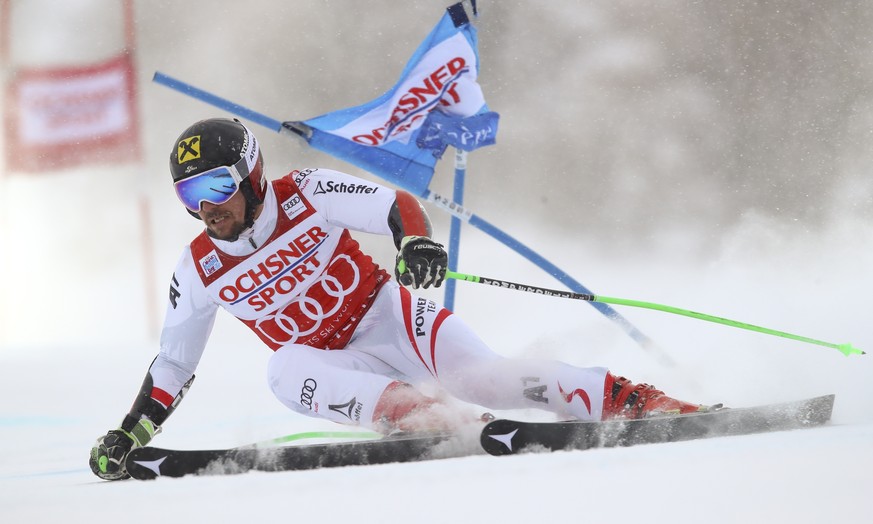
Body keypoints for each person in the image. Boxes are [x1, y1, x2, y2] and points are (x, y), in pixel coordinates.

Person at [89, 117, 708, 480]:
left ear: (250, 174)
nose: (208, 208)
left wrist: (413, 243)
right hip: (340, 368)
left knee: (485, 378)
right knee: (281, 368)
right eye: (190, 195)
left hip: (390, 317)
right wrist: (131, 433)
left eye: (218, 185)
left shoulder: (302, 192)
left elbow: (394, 205)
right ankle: (430, 420)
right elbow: (173, 364)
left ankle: (634, 399)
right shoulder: (197, 268)